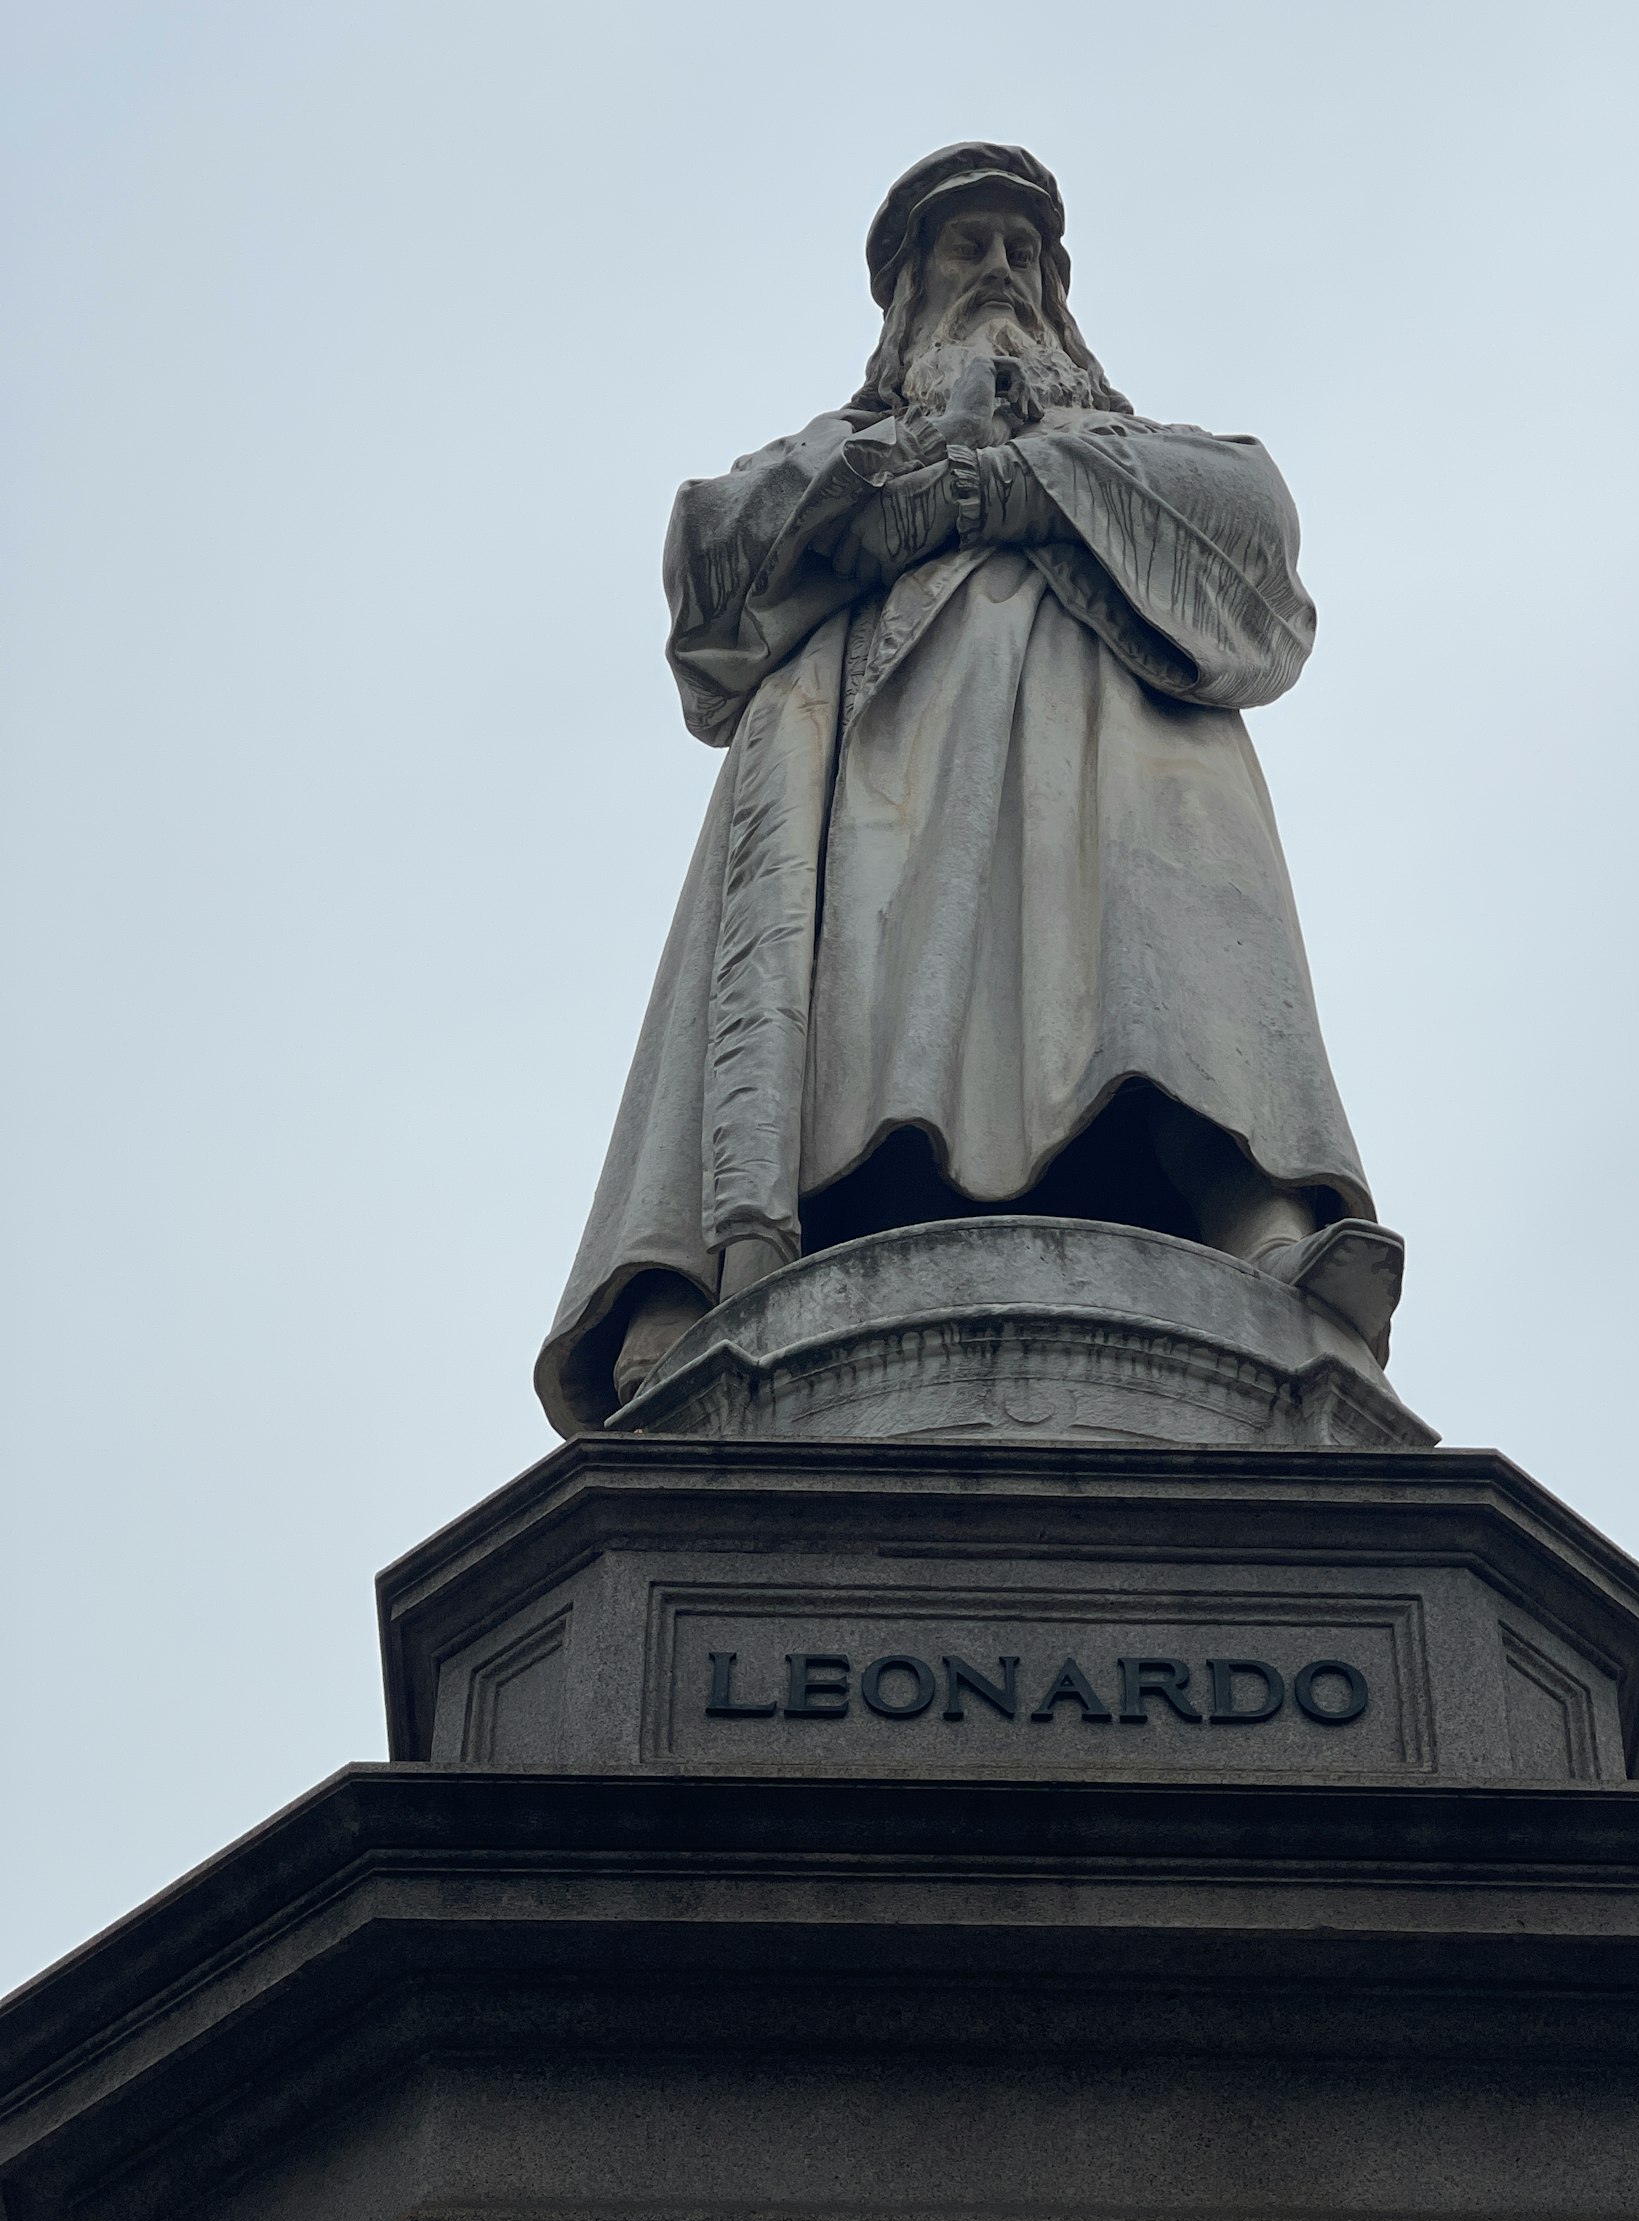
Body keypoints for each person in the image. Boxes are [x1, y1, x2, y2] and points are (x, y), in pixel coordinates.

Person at [536, 143, 1395, 1436]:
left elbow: (1255, 529)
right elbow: (711, 575)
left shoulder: (1128, 444)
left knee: (1171, 900)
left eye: (1024, 250)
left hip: (1110, 752)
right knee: (853, 964)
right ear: (903, 292)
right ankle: (713, 1264)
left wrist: (1011, 483)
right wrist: (912, 470)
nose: (1000, 267)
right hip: (872, 759)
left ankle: (1263, 1213)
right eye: (966, 245)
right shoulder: (839, 447)